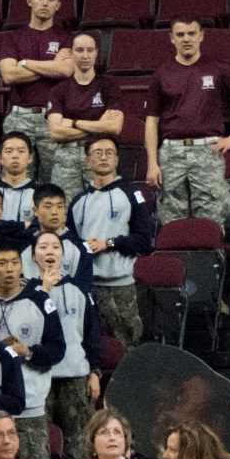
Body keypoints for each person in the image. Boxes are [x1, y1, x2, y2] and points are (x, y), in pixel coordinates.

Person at [144, 15, 230, 229]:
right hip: (171, 153)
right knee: (170, 217)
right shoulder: (162, 73)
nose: (186, 39)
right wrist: (152, 162)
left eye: (191, 33)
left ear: (201, 36)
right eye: (180, 34)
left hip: (207, 150)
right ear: (171, 38)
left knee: (212, 215)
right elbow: (152, 121)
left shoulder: (219, 69)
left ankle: (210, 259)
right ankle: (174, 261)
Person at [0, 242, 59, 459]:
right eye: (2, 264)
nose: (10, 269)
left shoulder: (40, 300)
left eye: (15, 263)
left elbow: (57, 350)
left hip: (29, 407)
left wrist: (29, 351)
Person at [68, 136, 154, 346]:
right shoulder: (78, 201)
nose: (104, 157)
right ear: (87, 160)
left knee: (127, 348)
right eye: (97, 153)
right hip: (87, 286)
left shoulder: (131, 194)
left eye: (109, 153)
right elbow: (69, 245)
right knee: (91, 347)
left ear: (116, 160)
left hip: (121, 286)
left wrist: (109, 243)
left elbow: (145, 241)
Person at [28, 232, 101, 445]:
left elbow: (92, 335)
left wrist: (95, 372)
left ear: (63, 253)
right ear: (33, 256)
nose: (50, 251)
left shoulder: (79, 290)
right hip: (39, 378)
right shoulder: (26, 292)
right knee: (42, 446)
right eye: (43, 247)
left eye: (55, 247)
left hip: (75, 377)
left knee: (79, 445)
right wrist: (45, 290)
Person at [0, 0, 75, 155]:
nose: (45, 2)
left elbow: (65, 70)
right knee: (18, 177)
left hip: (54, 118)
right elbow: (9, 75)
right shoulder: (13, 38)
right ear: (29, 0)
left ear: (57, 5)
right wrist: (52, 66)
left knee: (53, 181)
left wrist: (25, 63)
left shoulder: (66, 38)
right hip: (19, 118)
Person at [42, 33, 121, 198]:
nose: (85, 55)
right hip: (66, 158)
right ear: (71, 53)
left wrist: (73, 122)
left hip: (99, 154)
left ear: (96, 53)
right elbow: (56, 132)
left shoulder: (109, 86)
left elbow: (114, 127)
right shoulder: (59, 90)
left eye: (90, 50)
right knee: (65, 212)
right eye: (79, 50)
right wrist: (98, 127)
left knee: (101, 208)